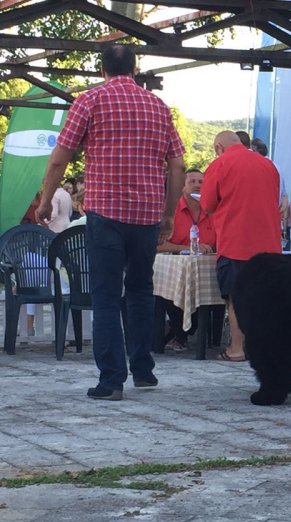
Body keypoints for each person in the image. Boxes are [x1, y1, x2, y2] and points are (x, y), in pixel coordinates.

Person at [37, 44, 186, 401]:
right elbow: (178, 165)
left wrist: (45, 201)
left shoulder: (89, 101)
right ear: (134, 69)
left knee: (105, 296)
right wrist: (168, 213)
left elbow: (60, 159)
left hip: (106, 214)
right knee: (140, 292)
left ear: (102, 69)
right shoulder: (158, 106)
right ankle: (143, 370)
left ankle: (111, 380)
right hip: (147, 216)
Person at [200, 130, 282, 362]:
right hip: (269, 243)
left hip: (236, 242)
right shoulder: (268, 165)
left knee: (236, 298)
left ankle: (237, 348)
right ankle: (265, 347)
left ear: (218, 147)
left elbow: (206, 205)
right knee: (266, 299)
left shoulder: (220, 164)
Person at [156, 168, 219, 352]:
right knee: (171, 287)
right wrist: (187, 248)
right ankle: (180, 332)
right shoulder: (170, 211)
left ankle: (180, 334)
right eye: (192, 181)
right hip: (172, 267)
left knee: (214, 285)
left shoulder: (213, 211)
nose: (198, 185)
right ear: (182, 187)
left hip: (206, 269)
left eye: (201, 182)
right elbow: (156, 245)